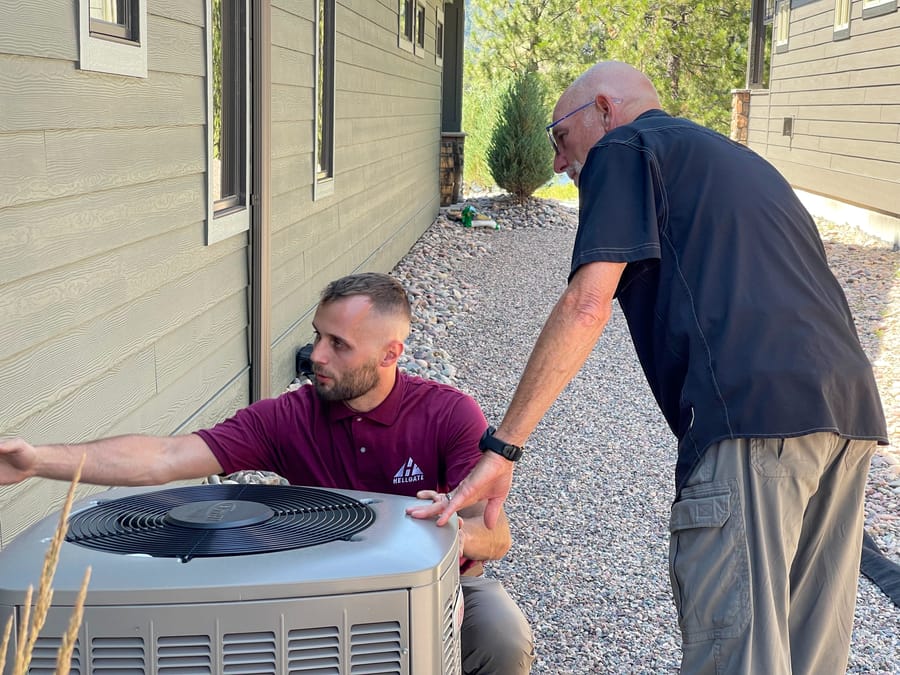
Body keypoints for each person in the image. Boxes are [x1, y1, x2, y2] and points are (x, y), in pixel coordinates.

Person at [413, 61, 889, 675]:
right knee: (810, 655)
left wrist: (503, 449)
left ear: (605, 111)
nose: (559, 162)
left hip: (750, 419)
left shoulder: (623, 148)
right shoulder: (741, 160)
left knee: (738, 654)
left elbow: (587, 304)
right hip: (848, 413)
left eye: (560, 137)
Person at [0, 272, 535, 675]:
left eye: (339, 345)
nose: (316, 356)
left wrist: (444, 536)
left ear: (392, 353)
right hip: (317, 586)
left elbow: (496, 537)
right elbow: (166, 456)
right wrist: (36, 462)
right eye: (318, 336)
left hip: (444, 587)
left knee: (502, 640)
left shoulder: (450, 415)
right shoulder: (290, 417)